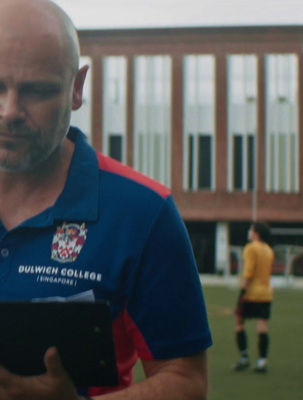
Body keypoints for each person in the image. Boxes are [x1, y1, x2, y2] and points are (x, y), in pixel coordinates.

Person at [0, 0, 212, 399]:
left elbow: (187, 381)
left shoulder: (143, 213)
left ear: (77, 88)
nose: (10, 111)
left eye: (37, 91)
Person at [233, 222, 274, 373]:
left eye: (251, 229)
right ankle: (262, 362)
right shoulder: (268, 250)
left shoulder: (251, 248)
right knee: (262, 326)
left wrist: (242, 293)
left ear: (256, 233)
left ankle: (244, 358)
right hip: (266, 293)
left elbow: (248, 272)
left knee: (239, 322)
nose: (249, 231)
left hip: (251, 293)